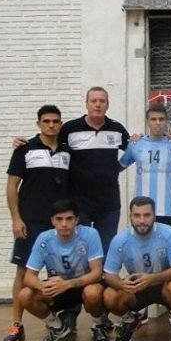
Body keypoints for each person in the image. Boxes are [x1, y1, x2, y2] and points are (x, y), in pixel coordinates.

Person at [4, 105, 71, 341]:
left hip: (59, 223)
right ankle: (16, 324)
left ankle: (61, 319)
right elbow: (12, 187)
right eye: (46, 121)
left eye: (55, 121)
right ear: (38, 124)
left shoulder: (67, 151)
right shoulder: (25, 149)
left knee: (61, 271)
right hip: (30, 220)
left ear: (60, 124)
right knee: (23, 271)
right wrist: (16, 218)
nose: (51, 125)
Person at [18, 199, 108, 341]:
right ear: (52, 221)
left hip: (84, 284)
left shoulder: (90, 234)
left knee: (93, 292)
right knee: (24, 295)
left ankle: (98, 326)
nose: (64, 224)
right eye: (59, 219)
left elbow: (97, 273)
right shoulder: (44, 239)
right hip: (58, 287)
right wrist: (44, 286)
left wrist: (68, 284)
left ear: (77, 220)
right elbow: (28, 277)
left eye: (69, 219)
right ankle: (57, 327)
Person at [102, 197, 171, 341]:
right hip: (136, 288)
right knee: (109, 295)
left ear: (154, 215)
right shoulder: (119, 240)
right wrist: (122, 285)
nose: (142, 221)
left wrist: (151, 278)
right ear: (130, 216)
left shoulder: (169, 233)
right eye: (137, 215)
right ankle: (130, 320)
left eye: (147, 215)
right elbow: (109, 275)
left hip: (164, 285)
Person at [58, 87, 131, 254]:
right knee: (79, 248)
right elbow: (49, 144)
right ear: (86, 104)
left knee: (105, 248)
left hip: (108, 201)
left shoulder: (116, 128)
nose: (98, 105)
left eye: (102, 101)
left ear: (107, 105)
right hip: (79, 201)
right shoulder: (70, 129)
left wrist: (118, 167)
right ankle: (82, 280)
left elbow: (135, 150)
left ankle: (103, 280)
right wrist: (25, 143)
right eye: (94, 101)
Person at [119, 104, 171, 234]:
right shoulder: (135, 144)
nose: (158, 123)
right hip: (142, 211)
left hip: (168, 210)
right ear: (147, 122)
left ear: (166, 121)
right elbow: (118, 168)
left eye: (161, 119)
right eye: (153, 119)